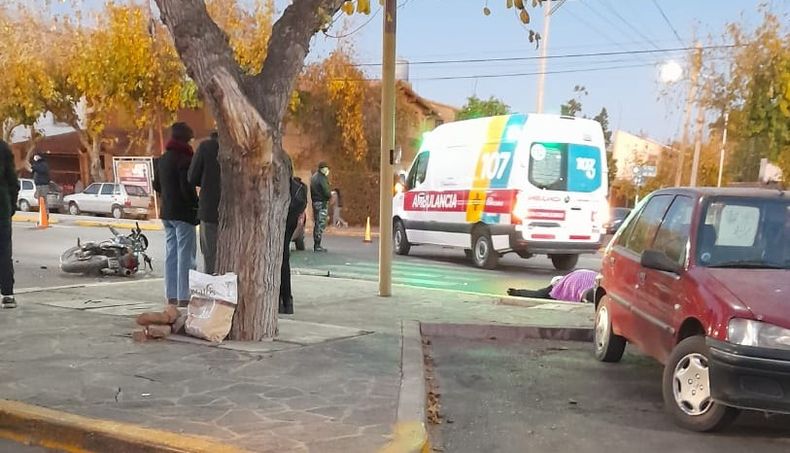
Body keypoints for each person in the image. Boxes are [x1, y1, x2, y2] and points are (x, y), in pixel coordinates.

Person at [153, 123, 199, 307]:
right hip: (183, 212)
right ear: (187, 139)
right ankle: (184, 296)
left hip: (167, 212)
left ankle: (171, 294)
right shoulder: (186, 159)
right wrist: (195, 205)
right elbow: (187, 186)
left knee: (171, 253)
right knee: (186, 255)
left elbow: (156, 185)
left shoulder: (163, 159)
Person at [188, 131, 221, 275]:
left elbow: (192, 176)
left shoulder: (205, 147)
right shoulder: (239, 148)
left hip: (210, 209)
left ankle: (213, 289)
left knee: (210, 255)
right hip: (236, 212)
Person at [280, 175, 308, 315]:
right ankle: (286, 300)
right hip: (289, 217)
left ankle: (280, 299)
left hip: (280, 215)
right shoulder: (295, 186)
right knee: (283, 258)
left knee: (278, 258)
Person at [0, 140, 18, 309]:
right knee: (4, 253)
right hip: (2, 208)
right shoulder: (3, 147)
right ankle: (7, 294)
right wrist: (12, 205)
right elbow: (13, 181)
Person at [507, 269, 597, 303]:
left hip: (585, 282)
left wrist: (517, 292)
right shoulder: (568, 279)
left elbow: (538, 294)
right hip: (593, 277)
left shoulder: (560, 286)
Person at [310, 162, 331, 252]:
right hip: (321, 203)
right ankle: (317, 245)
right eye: (326, 168)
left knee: (317, 223)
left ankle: (317, 244)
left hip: (315, 202)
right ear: (323, 169)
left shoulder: (314, 177)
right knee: (320, 223)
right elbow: (326, 191)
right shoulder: (321, 178)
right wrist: (330, 195)